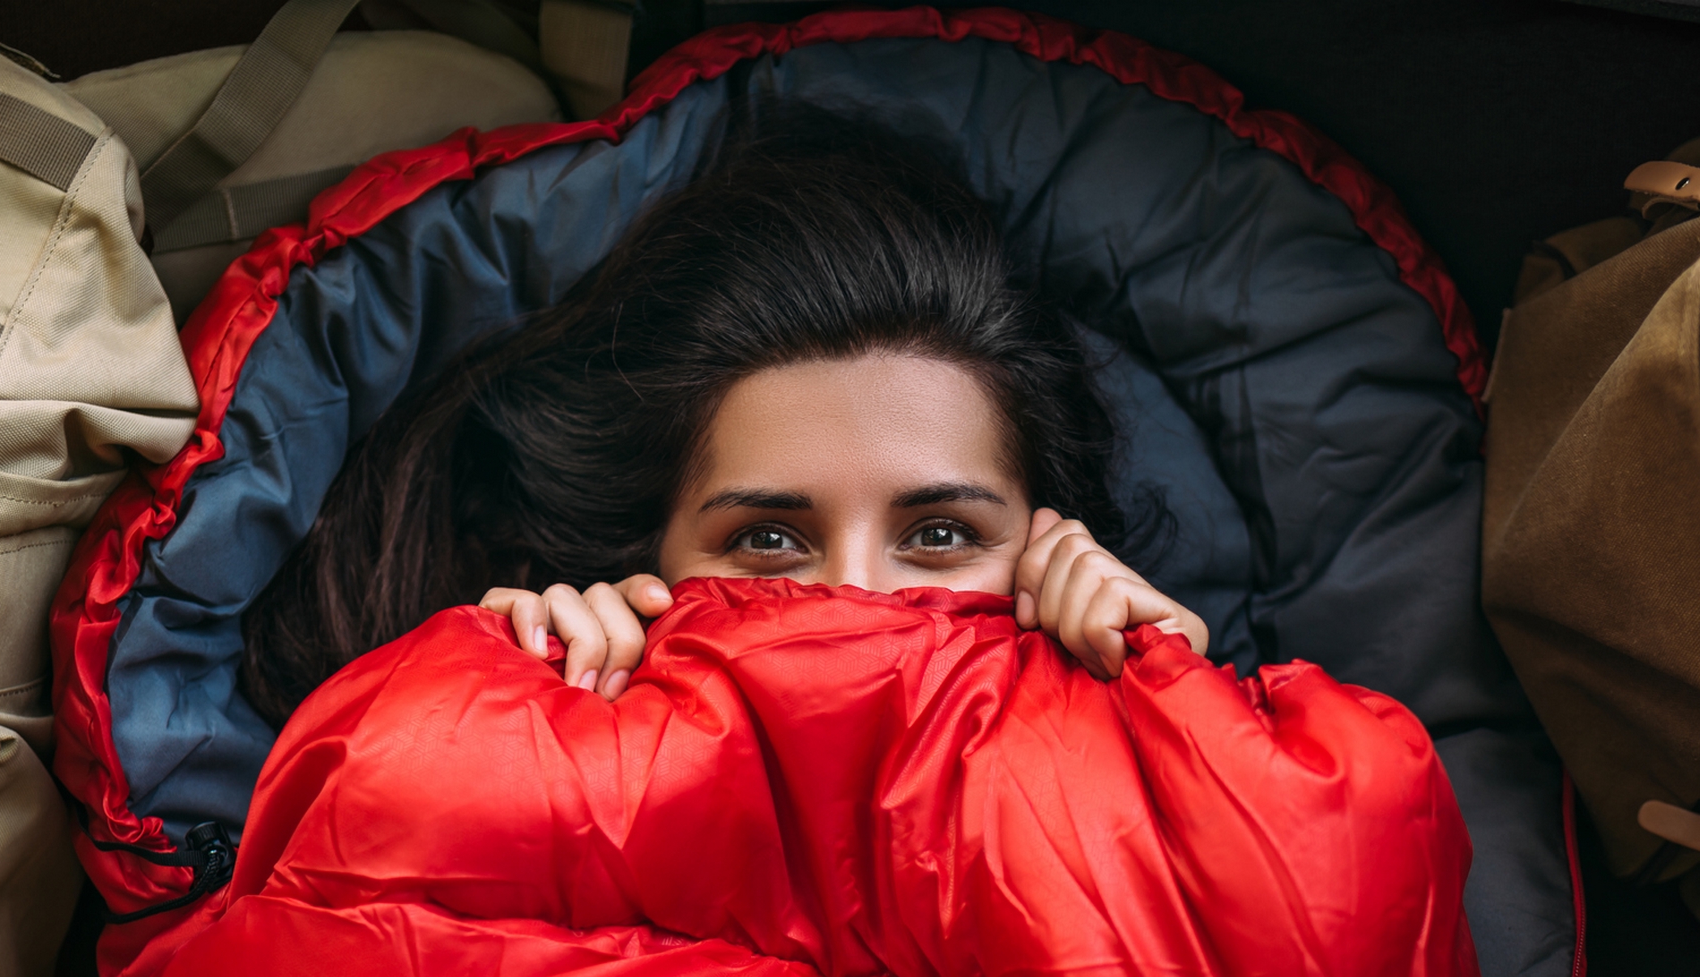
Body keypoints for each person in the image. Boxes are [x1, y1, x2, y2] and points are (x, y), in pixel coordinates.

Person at [239, 115, 1207, 725]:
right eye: (770, 538)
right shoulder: (517, 737)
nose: (856, 600)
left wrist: (1181, 731)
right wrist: (475, 732)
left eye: (942, 533)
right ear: (645, 569)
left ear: (1057, 548)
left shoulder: (1169, 730)